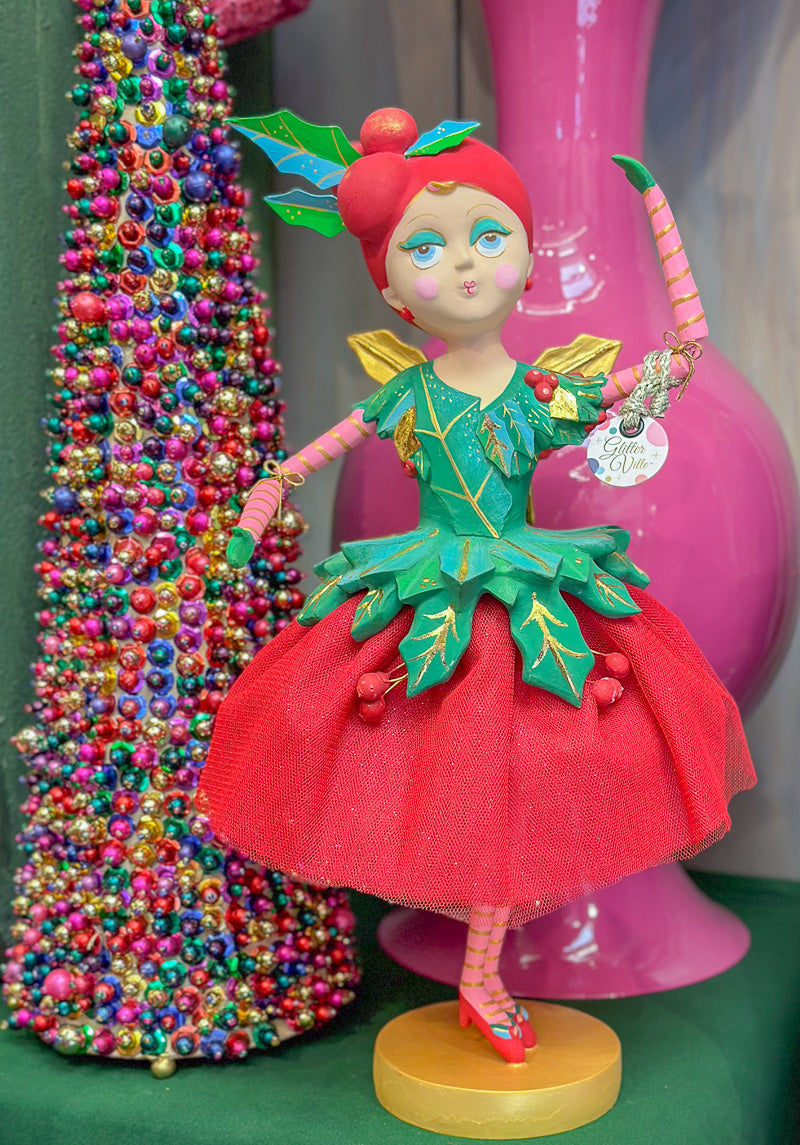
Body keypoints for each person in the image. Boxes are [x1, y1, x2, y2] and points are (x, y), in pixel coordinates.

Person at [197, 108, 755, 1064]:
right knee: (436, 778)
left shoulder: (544, 395)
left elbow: (683, 354)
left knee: (523, 785)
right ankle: (480, 972)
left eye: (488, 236)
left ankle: (482, 971)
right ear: (392, 289)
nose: (462, 263)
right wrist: (256, 509)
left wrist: (659, 215)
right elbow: (298, 465)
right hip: (433, 587)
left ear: (528, 261)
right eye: (426, 247)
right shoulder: (406, 395)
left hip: (528, 589)